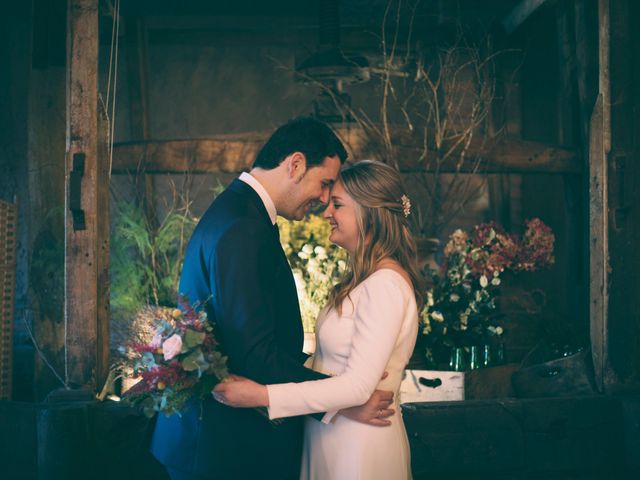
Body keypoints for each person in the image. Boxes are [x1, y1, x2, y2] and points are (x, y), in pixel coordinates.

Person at [150, 119, 395, 480]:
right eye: (325, 183)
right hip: (222, 448)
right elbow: (255, 355)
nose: (325, 199)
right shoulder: (243, 229)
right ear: (295, 164)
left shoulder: (237, 212)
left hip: (217, 441)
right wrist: (342, 402)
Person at [213, 160, 424, 480]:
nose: (326, 213)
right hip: (333, 437)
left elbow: (357, 387)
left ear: (370, 213)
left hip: (359, 450)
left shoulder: (386, 286)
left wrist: (261, 395)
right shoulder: (364, 281)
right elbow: (330, 369)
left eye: (338, 204)